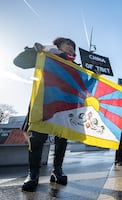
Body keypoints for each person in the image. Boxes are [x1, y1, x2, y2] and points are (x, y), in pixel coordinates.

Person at [15, 37, 77, 192]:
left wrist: (94, 74)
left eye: (73, 46)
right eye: (67, 44)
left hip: (64, 110)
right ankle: (33, 173)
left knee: (62, 140)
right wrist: (34, 51)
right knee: (36, 140)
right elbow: (19, 62)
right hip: (43, 106)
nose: (71, 48)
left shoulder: (75, 66)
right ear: (57, 46)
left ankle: (57, 171)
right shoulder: (45, 56)